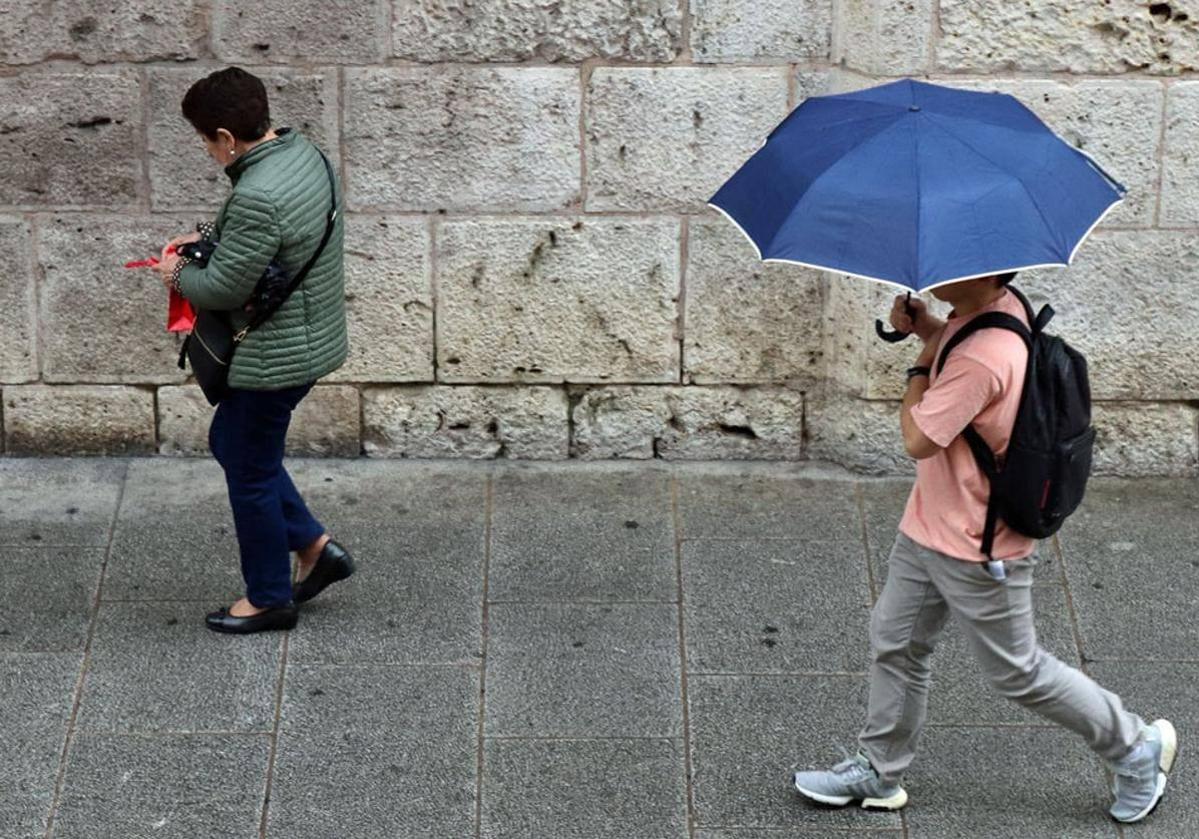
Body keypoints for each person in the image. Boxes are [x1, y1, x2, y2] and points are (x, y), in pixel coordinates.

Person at [791, 273, 1176, 824]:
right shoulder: (993, 307)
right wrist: (929, 327)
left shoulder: (984, 356)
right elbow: (957, 350)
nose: (939, 274)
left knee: (1018, 671)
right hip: (931, 522)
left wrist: (920, 364)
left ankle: (1136, 748)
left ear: (988, 270)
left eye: (952, 267)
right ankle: (880, 769)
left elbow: (918, 437)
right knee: (896, 645)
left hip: (977, 544)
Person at [153, 67, 355, 635]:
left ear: (225, 136)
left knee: (248, 467)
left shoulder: (258, 193)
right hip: (309, 339)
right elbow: (273, 248)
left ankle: (269, 598)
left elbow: (221, 289)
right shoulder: (302, 155)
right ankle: (317, 549)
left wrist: (175, 274)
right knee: (238, 447)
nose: (207, 150)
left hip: (274, 358)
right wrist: (211, 245)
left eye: (204, 140)